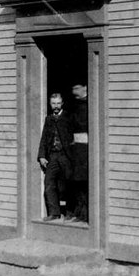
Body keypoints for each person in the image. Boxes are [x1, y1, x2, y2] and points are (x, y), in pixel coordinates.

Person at [37, 93, 73, 221]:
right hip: (52, 156)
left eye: (58, 103)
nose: (56, 106)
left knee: (68, 184)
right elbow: (44, 138)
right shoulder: (49, 119)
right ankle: (54, 212)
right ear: (50, 104)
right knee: (49, 184)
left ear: (62, 103)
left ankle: (71, 212)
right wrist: (42, 156)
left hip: (66, 156)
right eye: (53, 103)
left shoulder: (69, 117)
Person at [67, 83, 88, 223]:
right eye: (72, 88)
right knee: (76, 180)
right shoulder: (72, 105)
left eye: (76, 88)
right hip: (75, 148)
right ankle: (78, 212)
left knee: (85, 180)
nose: (73, 91)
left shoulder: (90, 104)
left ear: (85, 87)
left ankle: (86, 214)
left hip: (87, 148)